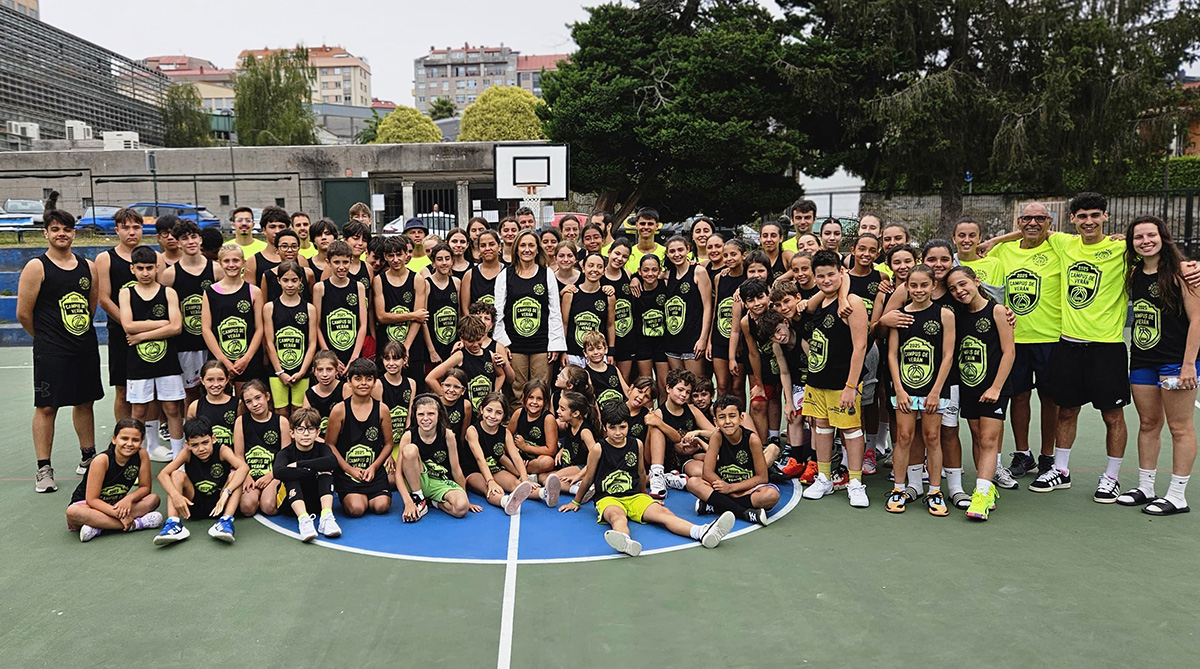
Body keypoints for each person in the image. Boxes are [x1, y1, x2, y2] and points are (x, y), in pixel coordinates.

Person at [559, 400, 736, 557]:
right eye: (612, 428)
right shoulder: (598, 449)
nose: (618, 432)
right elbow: (589, 478)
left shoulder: (637, 444)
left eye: (622, 427)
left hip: (635, 496)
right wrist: (576, 502)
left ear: (628, 425)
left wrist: (646, 496)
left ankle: (701, 532)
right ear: (605, 427)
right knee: (617, 517)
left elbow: (641, 473)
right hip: (608, 498)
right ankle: (625, 541)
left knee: (664, 514)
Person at [18, 209, 103, 493]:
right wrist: (46, 338)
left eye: (66, 229)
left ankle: (88, 457)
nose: (61, 234)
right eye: (55, 229)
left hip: (84, 347)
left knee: (85, 402)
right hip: (51, 351)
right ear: (46, 233)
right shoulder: (37, 267)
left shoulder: (88, 267)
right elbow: (23, 313)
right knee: (46, 407)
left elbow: (91, 307)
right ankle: (44, 468)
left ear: (74, 233)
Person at [1120, 215, 1199, 515]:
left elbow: (1197, 320)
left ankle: (1177, 495)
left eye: (1151, 235)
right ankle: (1146, 487)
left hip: (1175, 362)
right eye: (1138, 237)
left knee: (1180, 427)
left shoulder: (1182, 272)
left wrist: (1188, 364)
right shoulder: (1134, 273)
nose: (1146, 241)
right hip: (1142, 360)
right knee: (1148, 424)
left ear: (1163, 237)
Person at [800, 250, 870, 507]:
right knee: (821, 426)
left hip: (843, 381)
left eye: (831, 274)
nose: (826, 280)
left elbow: (860, 346)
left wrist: (851, 385)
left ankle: (855, 482)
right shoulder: (821, 300)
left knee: (851, 430)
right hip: (818, 378)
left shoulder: (852, 303)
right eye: (820, 276)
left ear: (841, 272)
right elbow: (808, 306)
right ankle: (824, 478)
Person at [946, 266, 1016, 520]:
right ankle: (985, 486)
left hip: (994, 387)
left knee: (988, 440)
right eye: (953, 288)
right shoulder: (957, 315)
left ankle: (981, 495)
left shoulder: (997, 311)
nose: (959, 291)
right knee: (977, 437)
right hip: (969, 385)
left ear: (976, 281)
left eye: (963, 284)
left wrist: (996, 387)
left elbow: (1009, 352)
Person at [884, 265, 954, 516]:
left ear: (934, 285)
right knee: (904, 437)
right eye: (913, 285)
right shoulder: (899, 316)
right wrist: (899, 390)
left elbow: (948, 355)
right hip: (905, 389)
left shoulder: (944, 314)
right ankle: (898, 488)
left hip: (934, 389)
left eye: (924, 285)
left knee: (932, 437)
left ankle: (934, 491)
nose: (919, 290)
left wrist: (936, 391)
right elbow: (892, 356)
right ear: (906, 287)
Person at [119, 245, 185, 462]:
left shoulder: (168, 292)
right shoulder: (126, 293)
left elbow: (176, 327)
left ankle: (179, 459)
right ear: (132, 269)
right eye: (140, 268)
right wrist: (162, 324)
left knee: (172, 409)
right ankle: (137, 458)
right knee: (138, 411)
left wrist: (142, 336)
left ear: (157, 268)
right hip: (138, 362)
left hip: (167, 361)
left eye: (149, 268)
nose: (145, 273)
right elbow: (128, 325)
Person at [96, 207, 156, 423]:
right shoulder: (105, 259)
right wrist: (129, 324)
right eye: (126, 227)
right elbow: (104, 299)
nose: (131, 232)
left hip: (151, 332)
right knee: (122, 389)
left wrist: (147, 328)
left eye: (136, 227)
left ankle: (149, 434)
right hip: (121, 332)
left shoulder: (154, 257)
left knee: (150, 388)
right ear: (116, 231)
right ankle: (123, 433)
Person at [493, 229, 567, 402]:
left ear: (537, 249)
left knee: (540, 390)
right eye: (523, 245)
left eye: (531, 245)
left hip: (541, 345)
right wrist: (503, 343)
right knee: (517, 391)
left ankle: (542, 419)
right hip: (513, 345)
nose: (527, 249)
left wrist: (555, 344)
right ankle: (517, 419)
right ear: (516, 249)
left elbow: (555, 311)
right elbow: (498, 313)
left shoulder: (547, 273)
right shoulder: (505, 275)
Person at [153, 416, 248, 545]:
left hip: (220, 503)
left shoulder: (223, 450)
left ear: (213, 438)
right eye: (195, 445)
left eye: (205, 442)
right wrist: (176, 496)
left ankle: (226, 521)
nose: (201, 448)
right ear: (187, 444)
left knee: (236, 475)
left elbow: (244, 467)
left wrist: (227, 492)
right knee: (176, 475)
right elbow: (163, 474)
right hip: (194, 504)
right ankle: (173, 523)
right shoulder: (186, 453)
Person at [66, 418, 163, 542]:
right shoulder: (102, 460)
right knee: (73, 512)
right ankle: (137, 524)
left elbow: (145, 488)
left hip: (117, 504)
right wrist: (119, 515)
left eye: (135, 440)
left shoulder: (141, 454)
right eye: (124, 438)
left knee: (153, 499)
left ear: (141, 441)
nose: (129, 444)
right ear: (114, 439)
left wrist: (128, 499)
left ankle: (98, 526)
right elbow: (92, 500)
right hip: (89, 506)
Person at [687, 395, 778, 525]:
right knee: (693, 483)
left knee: (771, 495)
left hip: (745, 488)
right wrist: (724, 486)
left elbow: (762, 477)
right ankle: (744, 513)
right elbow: (707, 473)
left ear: (741, 418)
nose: (727, 421)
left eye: (732, 416)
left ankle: (717, 506)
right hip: (722, 487)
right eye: (722, 417)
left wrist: (731, 488)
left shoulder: (752, 439)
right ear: (715, 421)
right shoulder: (717, 437)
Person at [325, 358, 394, 517]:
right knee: (356, 509)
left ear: (375, 382)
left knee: (381, 506)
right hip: (348, 472)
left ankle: (372, 491)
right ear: (349, 382)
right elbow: (330, 445)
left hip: (373, 470)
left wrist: (374, 467)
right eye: (358, 378)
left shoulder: (382, 409)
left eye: (368, 379)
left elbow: (388, 444)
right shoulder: (339, 410)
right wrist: (349, 470)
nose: (363, 383)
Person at [159, 219, 215, 407]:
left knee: (217, 389)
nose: (190, 241)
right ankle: (190, 425)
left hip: (212, 343)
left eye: (193, 237)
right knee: (190, 394)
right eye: (184, 238)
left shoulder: (216, 270)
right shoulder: (170, 274)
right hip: (185, 345)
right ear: (178, 242)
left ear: (200, 239)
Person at [461, 392, 545, 514]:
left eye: (498, 413)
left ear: (504, 415)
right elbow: (480, 459)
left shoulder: (505, 433)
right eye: (489, 410)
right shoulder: (472, 430)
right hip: (473, 471)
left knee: (516, 484)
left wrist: (525, 478)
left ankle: (544, 493)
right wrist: (491, 482)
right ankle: (505, 502)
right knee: (491, 489)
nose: (492, 416)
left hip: (494, 468)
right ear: (481, 410)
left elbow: (516, 457)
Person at [397, 394, 473, 521]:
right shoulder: (408, 436)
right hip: (417, 481)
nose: (425, 418)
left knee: (461, 508)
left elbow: (456, 469)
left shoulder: (448, 435)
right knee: (410, 450)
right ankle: (418, 498)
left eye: (431, 414)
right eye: (421, 414)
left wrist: (465, 498)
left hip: (440, 481)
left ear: (439, 415)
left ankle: (433, 502)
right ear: (415, 416)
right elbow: (398, 474)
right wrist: (408, 502)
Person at [201, 243, 265, 391]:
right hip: (219, 359)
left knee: (247, 397)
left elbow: (259, 328)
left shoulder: (254, 291)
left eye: (235, 260)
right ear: (219, 263)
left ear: (243, 262)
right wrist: (223, 360)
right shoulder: (210, 292)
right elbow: (206, 329)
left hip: (248, 359)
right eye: (226, 261)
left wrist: (246, 358)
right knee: (222, 400)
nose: (231, 265)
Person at [273, 407, 341, 541]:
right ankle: (304, 520)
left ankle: (326, 517)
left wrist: (299, 464)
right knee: (290, 475)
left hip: (317, 501)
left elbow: (332, 462)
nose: (306, 434)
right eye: (300, 429)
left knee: (325, 471)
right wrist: (307, 472)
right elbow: (278, 471)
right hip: (291, 504)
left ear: (318, 432)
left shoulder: (322, 448)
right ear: (292, 433)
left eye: (311, 429)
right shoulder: (285, 453)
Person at [646, 369, 716, 498]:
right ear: (668, 388)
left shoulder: (691, 409)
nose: (684, 395)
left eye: (688, 392)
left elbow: (715, 434)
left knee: (701, 472)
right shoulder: (659, 413)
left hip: (686, 459)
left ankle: (670, 478)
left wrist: (698, 433)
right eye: (680, 390)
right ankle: (658, 476)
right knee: (656, 425)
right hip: (664, 460)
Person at [264, 260, 318, 419]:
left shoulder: (309, 309)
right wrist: (280, 372)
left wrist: (302, 371)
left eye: (294, 280)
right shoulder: (270, 308)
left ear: (301, 281)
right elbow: (269, 343)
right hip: (277, 369)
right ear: (278, 280)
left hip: (301, 369)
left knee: (298, 411)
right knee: (280, 411)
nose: (290, 285)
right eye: (285, 280)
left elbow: (312, 343)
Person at [234, 379, 290, 516]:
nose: (255, 404)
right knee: (247, 507)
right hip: (250, 473)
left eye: (258, 398)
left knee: (269, 507)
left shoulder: (281, 421)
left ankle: (268, 496)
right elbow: (239, 455)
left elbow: (286, 456)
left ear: (267, 396)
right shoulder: (241, 421)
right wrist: (246, 475)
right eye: (249, 401)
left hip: (274, 474)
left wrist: (271, 476)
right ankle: (256, 496)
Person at [428, 314, 504, 413]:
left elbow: (501, 375)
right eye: (471, 341)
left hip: (486, 412)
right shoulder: (459, 356)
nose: (475, 344)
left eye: (478, 339)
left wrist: (494, 393)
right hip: (466, 410)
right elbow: (430, 378)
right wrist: (446, 398)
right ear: (462, 339)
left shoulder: (490, 355)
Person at [663, 235, 713, 379]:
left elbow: (708, 307)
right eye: (672, 251)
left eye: (680, 250)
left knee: (696, 385)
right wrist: (635, 279)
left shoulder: (698, 272)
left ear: (688, 249)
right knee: (678, 385)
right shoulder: (667, 274)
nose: (677, 254)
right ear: (667, 254)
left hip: (693, 341)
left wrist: (703, 339)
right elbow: (647, 275)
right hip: (672, 342)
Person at [315, 240, 368, 374]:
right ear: (328, 263)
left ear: (351, 261)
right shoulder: (320, 288)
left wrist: (354, 357)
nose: (341, 267)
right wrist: (329, 356)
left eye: (345, 262)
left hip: (353, 353)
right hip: (329, 356)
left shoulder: (359, 287)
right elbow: (316, 326)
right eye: (336, 262)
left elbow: (363, 325)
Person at [561, 252, 615, 368]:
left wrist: (611, 352)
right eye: (590, 265)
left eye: (599, 267)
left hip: (597, 355)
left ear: (604, 271)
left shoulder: (608, 296)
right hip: (573, 354)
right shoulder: (571, 294)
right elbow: (564, 324)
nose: (595, 270)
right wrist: (563, 351)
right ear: (583, 268)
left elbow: (610, 325)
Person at [710, 239, 747, 402]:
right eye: (725, 255)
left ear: (743, 255)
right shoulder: (720, 277)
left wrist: (740, 342)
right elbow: (716, 309)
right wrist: (710, 340)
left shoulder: (748, 278)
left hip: (741, 341)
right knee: (722, 385)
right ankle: (721, 415)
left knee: (737, 387)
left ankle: (740, 415)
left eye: (733, 254)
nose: (729, 258)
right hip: (719, 338)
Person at [600, 239, 637, 381]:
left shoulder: (627, 274)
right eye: (617, 253)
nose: (620, 258)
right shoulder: (599, 275)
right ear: (609, 252)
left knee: (624, 380)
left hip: (627, 337)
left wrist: (635, 278)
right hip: (606, 338)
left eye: (625, 256)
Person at [422, 243, 460, 370]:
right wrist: (431, 351)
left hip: (452, 345)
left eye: (447, 258)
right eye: (439, 259)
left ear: (452, 261)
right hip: (433, 345)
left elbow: (460, 315)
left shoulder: (456, 283)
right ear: (433, 263)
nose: (444, 263)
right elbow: (423, 320)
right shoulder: (426, 284)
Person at [187, 360, 238, 449]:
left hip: (232, 454)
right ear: (202, 380)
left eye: (220, 379)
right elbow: (190, 439)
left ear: (227, 380)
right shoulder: (195, 406)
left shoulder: (238, 404)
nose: (216, 384)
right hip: (205, 455)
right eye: (210, 380)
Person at [953, 216, 1004, 301]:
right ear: (954, 239)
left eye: (972, 236)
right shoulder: (949, 264)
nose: (967, 240)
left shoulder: (994, 264)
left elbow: (996, 297)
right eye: (962, 236)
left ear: (979, 238)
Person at [260, 229, 315, 304]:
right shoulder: (267, 276)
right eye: (284, 246)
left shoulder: (308, 273)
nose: (289, 250)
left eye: (294, 246)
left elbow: (313, 299)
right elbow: (263, 303)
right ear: (276, 250)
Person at [303, 350, 348, 438]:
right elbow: (305, 424)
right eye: (320, 370)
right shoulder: (309, 394)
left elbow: (351, 421)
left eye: (329, 369)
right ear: (314, 371)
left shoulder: (345, 388)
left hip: (343, 438)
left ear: (336, 370)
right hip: (318, 439)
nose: (324, 374)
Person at [377, 341, 416, 440]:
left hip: (404, 437)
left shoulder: (411, 383)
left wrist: (406, 436)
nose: (391, 363)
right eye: (387, 359)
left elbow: (410, 413)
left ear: (405, 360)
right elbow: (379, 417)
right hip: (385, 439)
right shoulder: (378, 384)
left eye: (396, 358)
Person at [581, 331, 629, 408]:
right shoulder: (586, 373)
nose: (595, 352)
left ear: (605, 349)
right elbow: (592, 400)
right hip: (601, 411)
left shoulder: (614, 369)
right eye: (591, 349)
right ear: (585, 353)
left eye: (599, 348)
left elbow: (627, 391)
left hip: (620, 410)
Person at [245, 206, 290, 286]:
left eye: (281, 227)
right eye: (272, 227)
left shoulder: (299, 259)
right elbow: (250, 291)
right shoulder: (253, 262)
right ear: (264, 230)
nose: (277, 231)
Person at [461, 230, 504, 312]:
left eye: (491, 244)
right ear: (478, 249)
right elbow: (465, 309)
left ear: (499, 246)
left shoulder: (508, 272)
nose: (487, 248)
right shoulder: (469, 275)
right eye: (483, 245)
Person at [432, 367, 473, 443]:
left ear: (463, 390)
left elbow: (463, 436)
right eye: (447, 385)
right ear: (441, 386)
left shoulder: (466, 405)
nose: (451, 390)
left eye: (456, 387)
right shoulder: (434, 403)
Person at [624, 207, 667, 273]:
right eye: (642, 224)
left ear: (657, 226)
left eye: (650, 224)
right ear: (636, 225)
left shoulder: (666, 253)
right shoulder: (627, 254)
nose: (646, 227)